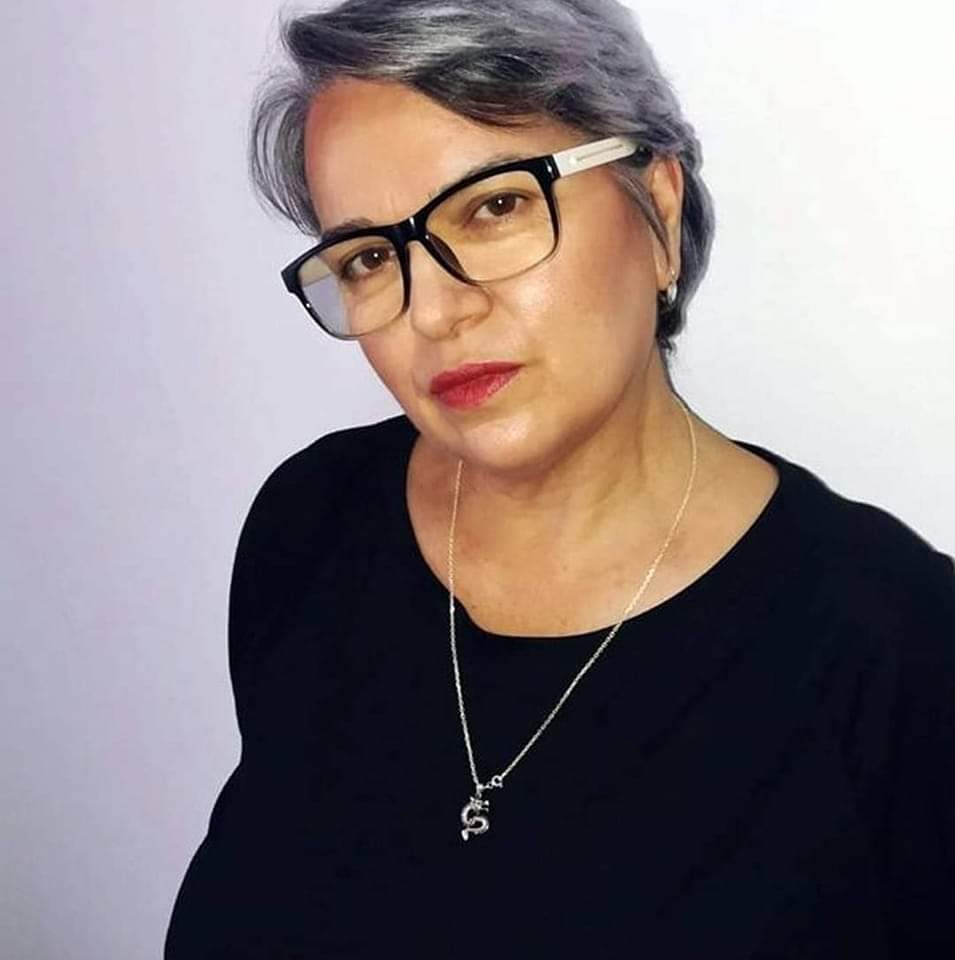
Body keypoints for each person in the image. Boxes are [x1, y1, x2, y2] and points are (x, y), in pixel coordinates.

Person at [164, 1, 955, 956]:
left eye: (493, 205)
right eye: (370, 257)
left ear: (658, 211)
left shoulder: (899, 647)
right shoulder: (311, 521)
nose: (435, 311)